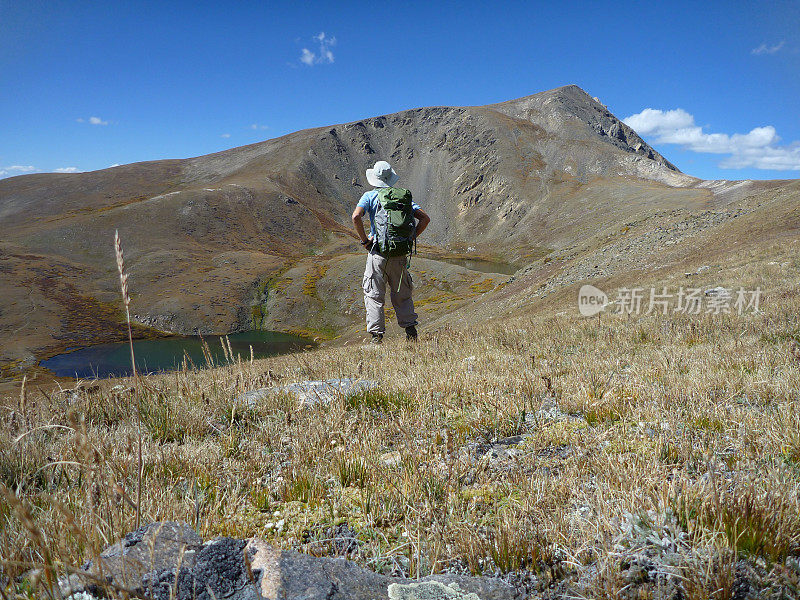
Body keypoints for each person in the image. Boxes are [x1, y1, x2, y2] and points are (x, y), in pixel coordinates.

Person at [352, 160, 430, 344]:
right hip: (400, 254)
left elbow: (356, 216)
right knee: (402, 293)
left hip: (377, 253)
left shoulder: (369, 196)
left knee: (374, 294)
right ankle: (411, 333)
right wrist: (411, 237)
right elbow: (425, 219)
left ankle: (376, 339)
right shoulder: (403, 197)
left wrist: (364, 241)